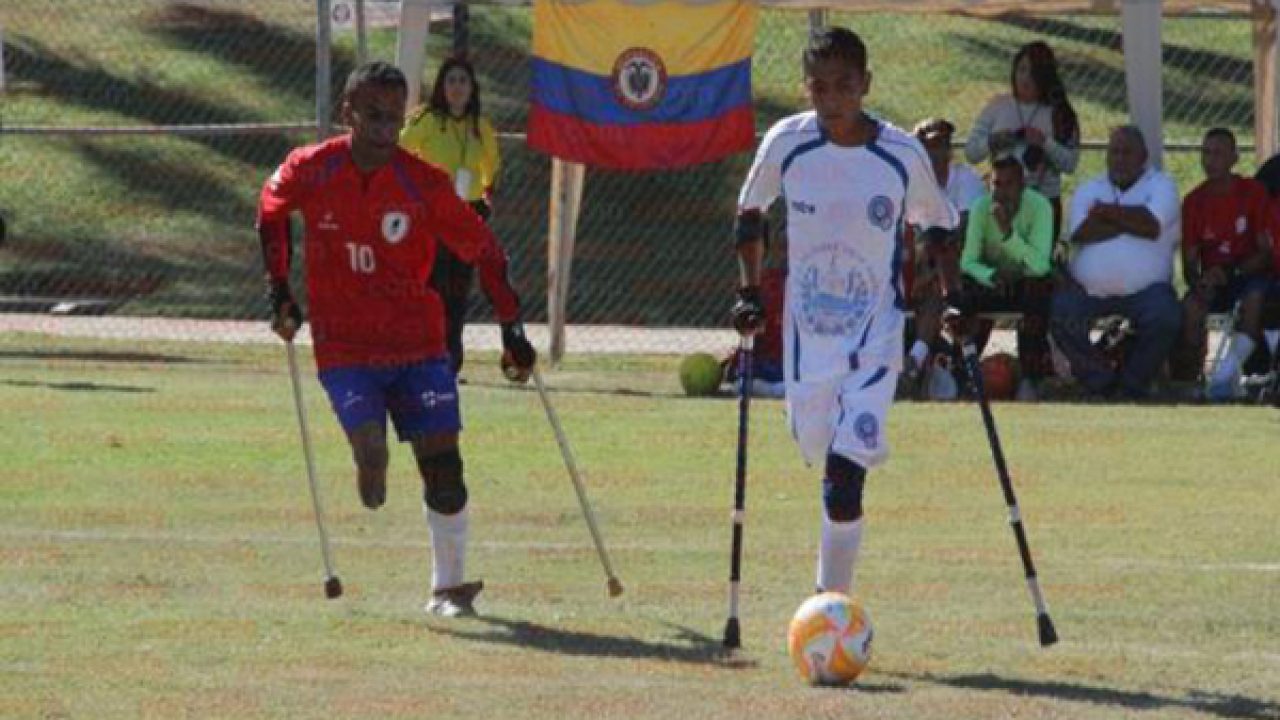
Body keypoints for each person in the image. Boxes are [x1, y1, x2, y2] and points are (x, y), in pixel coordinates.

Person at [257, 62, 535, 618]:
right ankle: (370, 463)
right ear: (348, 113)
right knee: (373, 456)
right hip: (346, 348)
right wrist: (279, 290)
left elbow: (484, 249)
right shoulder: (313, 168)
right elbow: (270, 208)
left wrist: (512, 327)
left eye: (394, 116)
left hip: (419, 347)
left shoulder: (422, 182)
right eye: (374, 114)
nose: (386, 127)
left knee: (445, 470)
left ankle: (449, 588)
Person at [731, 27, 959, 596]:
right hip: (807, 341)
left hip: (876, 335)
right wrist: (750, 293)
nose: (832, 99)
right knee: (815, 446)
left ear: (866, 85)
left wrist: (951, 295)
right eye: (820, 87)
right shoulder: (787, 143)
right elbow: (750, 214)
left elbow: (939, 225)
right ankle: (830, 603)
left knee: (844, 478)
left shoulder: (900, 153)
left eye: (845, 86)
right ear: (806, 87)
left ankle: (831, 605)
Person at [1050, 125, 1182, 400]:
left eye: (1127, 152)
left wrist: (1106, 212)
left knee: (1166, 315)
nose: (1119, 159)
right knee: (1061, 311)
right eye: (1114, 152)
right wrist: (1132, 220)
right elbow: (1082, 232)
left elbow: (1151, 225)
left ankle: (1132, 385)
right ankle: (1101, 383)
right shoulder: (1089, 188)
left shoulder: (1162, 185)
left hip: (1147, 293)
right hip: (1089, 293)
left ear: (1143, 157)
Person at [400, 56, 502, 374]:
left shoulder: (480, 127)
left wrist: (486, 192)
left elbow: (490, 167)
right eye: (451, 81)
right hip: (432, 215)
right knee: (431, 287)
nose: (457, 88)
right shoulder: (428, 120)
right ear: (442, 87)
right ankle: (422, 357)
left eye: (463, 81)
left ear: (472, 88)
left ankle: (450, 361)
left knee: (458, 290)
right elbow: (399, 151)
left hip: (466, 216)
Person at [1169, 128, 1272, 400]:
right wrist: (1199, 283)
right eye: (1205, 153)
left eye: (1218, 153)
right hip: (1213, 281)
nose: (1210, 160)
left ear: (1234, 158)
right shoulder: (1194, 201)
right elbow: (1189, 262)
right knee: (1191, 307)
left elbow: (1265, 252)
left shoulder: (1253, 193)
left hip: (1248, 275)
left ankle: (1224, 377)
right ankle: (1191, 383)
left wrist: (1232, 271)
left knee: (1254, 298)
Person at [959, 154, 1055, 400]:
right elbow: (968, 262)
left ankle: (1031, 377)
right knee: (961, 295)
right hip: (991, 280)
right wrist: (990, 275)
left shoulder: (1040, 207)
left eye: (1008, 184)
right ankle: (963, 373)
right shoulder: (981, 207)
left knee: (1039, 290)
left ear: (1022, 185)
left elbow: (1040, 266)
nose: (1001, 193)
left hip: (1027, 280)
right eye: (996, 184)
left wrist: (1008, 234)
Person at [901, 117, 986, 396]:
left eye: (942, 144)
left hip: (955, 269)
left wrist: (928, 271)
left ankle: (917, 364)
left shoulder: (967, 180)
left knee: (942, 279)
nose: (935, 151)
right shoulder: (903, 183)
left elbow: (963, 233)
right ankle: (915, 362)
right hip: (912, 268)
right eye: (928, 144)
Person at [966, 41, 1080, 244]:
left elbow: (1070, 164)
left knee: (1036, 260)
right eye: (1021, 70)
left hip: (1044, 200)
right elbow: (971, 153)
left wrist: (1044, 143)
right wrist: (994, 141)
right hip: (1002, 201)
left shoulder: (1060, 114)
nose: (1025, 78)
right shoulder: (998, 106)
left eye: (1033, 72)